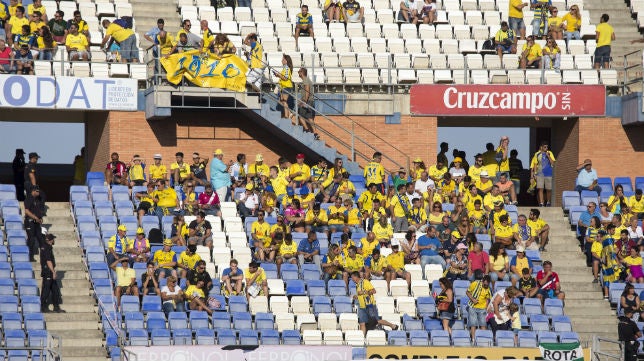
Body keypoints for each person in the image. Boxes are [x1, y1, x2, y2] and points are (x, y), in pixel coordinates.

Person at [40, 234, 64, 313]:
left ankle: (56, 307)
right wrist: (53, 272)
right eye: (53, 239)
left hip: (49, 271)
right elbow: (48, 261)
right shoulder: (46, 247)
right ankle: (43, 307)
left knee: (55, 290)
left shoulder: (47, 247)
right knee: (46, 290)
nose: (54, 240)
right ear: (50, 240)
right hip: (48, 272)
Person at [529, 141, 556, 207]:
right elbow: (535, 164)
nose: (546, 148)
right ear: (541, 147)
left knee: (548, 189)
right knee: (540, 188)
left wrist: (548, 157)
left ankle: (548, 202)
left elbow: (553, 163)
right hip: (540, 174)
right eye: (545, 147)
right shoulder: (537, 154)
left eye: (547, 147)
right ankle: (541, 203)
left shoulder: (550, 153)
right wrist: (534, 174)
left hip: (548, 173)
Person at [466, 272, 491, 339]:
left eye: (487, 285)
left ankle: (483, 339)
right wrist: (472, 299)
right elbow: (467, 292)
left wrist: (486, 307)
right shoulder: (475, 283)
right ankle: (473, 339)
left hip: (482, 308)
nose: (485, 285)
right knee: (473, 324)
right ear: (482, 281)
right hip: (472, 307)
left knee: (483, 324)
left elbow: (487, 299)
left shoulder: (488, 289)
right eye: (484, 284)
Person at [24, 185, 46, 261]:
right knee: (31, 239)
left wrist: (40, 218)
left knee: (41, 239)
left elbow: (37, 211)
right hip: (30, 222)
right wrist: (35, 217)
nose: (38, 192)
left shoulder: (37, 199)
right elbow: (27, 211)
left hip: (36, 223)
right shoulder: (29, 199)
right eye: (37, 191)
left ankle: (45, 258)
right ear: (33, 191)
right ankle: (29, 257)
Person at [274, 54, 295, 120]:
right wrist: (278, 75)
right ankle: (289, 113)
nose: (281, 60)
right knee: (282, 101)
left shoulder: (286, 68)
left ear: (286, 61)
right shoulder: (285, 68)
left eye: (283, 59)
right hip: (284, 86)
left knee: (284, 101)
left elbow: (285, 78)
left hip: (286, 86)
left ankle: (287, 115)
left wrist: (279, 75)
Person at [297, 68, 316, 134]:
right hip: (310, 101)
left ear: (302, 72)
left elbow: (307, 90)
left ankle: (307, 130)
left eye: (299, 71)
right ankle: (315, 133)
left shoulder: (305, 79)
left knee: (300, 116)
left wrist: (304, 101)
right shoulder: (307, 79)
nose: (298, 72)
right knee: (309, 117)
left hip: (307, 101)